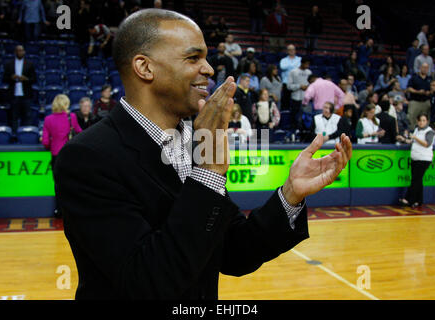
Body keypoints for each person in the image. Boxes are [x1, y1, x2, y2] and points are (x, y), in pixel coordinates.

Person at [53, 9, 352, 300]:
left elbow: (233, 252)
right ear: (145, 68)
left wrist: (289, 195)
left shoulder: (194, 141)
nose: (208, 69)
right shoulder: (87, 157)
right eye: (193, 58)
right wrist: (207, 173)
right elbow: (147, 281)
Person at [42, 94, 82, 217]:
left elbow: (45, 142)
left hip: (56, 154)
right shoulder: (72, 117)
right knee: (72, 183)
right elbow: (80, 133)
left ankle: (59, 210)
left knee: (58, 184)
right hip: (69, 154)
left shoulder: (48, 119)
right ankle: (72, 209)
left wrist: (52, 144)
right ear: (66, 104)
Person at [399, 113, 435, 208]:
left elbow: (427, 143)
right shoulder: (416, 130)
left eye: (424, 120)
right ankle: (419, 200)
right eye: (420, 120)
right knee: (418, 180)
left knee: (416, 179)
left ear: (427, 121)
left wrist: (415, 137)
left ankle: (409, 199)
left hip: (424, 158)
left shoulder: (429, 131)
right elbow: (412, 142)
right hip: (416, 158)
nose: (422, 122)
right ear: (417, 121)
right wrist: (403, 139)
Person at [3, 45, 36, 133]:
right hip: (13, 95)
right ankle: (14, 136)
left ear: (24, 52)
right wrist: (12, 78)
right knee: (13, 117)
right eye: (18, 50)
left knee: (27, 116)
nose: (20, 52)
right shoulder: (9, 64)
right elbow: (4, 79)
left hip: (26, 95)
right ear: (15, 52)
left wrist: (26, 79)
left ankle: (27, 136)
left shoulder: (30, 64)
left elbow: (34, 79)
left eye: (21, 50)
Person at [287, 57, 312, 130]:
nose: (307, 66)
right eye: (306, 64)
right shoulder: (293, 72)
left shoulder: (309, 72)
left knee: (307, 118)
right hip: (295, 98)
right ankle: (294, 133)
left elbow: (312, 84)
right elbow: (289, 86)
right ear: (302, 63)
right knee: (295, 117)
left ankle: (304, 133)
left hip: (306, 99)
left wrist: (308, 87)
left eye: (308, 64)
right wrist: (299, 86)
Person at [407, 62, 432, 130]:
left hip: (426, 102)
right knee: (412, 118)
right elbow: (409, 88)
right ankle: (412, 133)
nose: (425, 69)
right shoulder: (414, 77)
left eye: (427, 68)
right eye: (424, 67)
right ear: (420, 68)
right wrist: (418, 92)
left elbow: (432, 89)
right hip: (415, 101)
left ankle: (424, 133)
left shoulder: (429, 78)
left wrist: (428, 92)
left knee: (426, 118)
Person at [280, 44, 301, 111]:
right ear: (287, 51)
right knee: (285, 102)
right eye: (290, 50)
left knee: (296, 102)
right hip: (286, 83)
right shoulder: (283, 60)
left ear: (295, 51)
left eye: (293, 49)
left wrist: (289, 66)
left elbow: (299, 68)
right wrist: (293, 66)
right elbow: (282, 67)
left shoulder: (299, 59)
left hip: (296, 83)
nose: (291, 51)